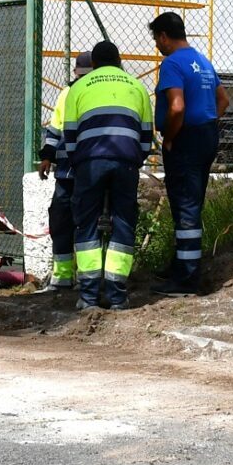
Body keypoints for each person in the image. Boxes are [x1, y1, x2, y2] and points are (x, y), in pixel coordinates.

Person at [58, 40, 153, 309]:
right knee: (123, 222)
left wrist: (79, 162)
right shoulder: (136, 86)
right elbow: (146, 135)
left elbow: (70, 133)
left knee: (86, 224)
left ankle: (88, 297)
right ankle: (117, 296)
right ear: (119, 61)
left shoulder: (79, 87)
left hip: (90, 162)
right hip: (126, 162)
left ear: (95, 64)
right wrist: (134, 160)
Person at [149, 11, 225, 292]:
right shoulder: (203, 61)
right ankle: (181, 263)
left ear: (164, 36)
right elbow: (223, 101)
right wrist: (205, 120)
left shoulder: (171, 64)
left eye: (157, 39)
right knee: (190, 201)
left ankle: (187, 278)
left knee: (186, 205)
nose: (157, 46)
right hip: (206, 136)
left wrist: (170, 136)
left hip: (184, 140)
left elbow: (177, 106)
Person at [37, 51, 95, 289]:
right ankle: (66, 277)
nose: (82, 79)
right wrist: (47, 156)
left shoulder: (83, 92)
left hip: (83, 170)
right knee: (63, 219)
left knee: (80, 221)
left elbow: (56, 132)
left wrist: (50, 156)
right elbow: (55, 130)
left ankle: (82, 277)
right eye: (80, 75)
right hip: (71, 171)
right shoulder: (67, 94)